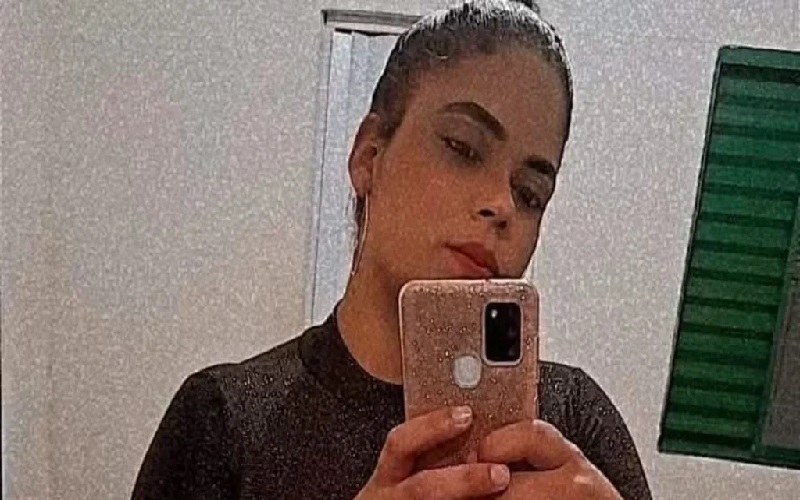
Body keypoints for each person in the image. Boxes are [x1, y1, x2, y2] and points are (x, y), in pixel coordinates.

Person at [132, 1, 653, 498]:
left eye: (531, 193)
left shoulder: (574, 422)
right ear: (369, 156)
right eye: (463, 147)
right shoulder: (224, 422)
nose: (502, 204)